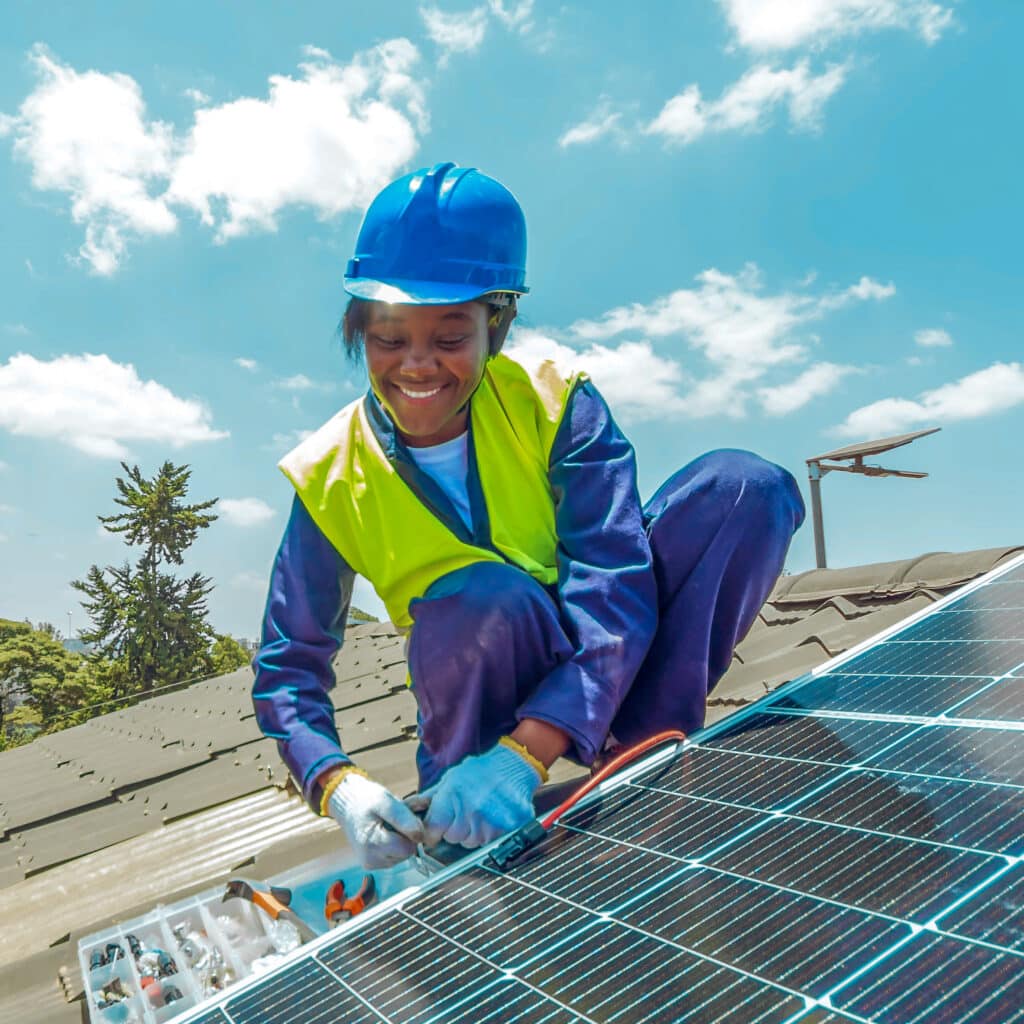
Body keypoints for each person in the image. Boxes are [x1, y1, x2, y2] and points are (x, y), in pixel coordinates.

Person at [252, 162, 806, 868]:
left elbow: (613, 582)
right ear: (358, 330)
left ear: (499, 325)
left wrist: (531, 754)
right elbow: (287, 665)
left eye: (450, 337)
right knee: (485, 597)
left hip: (611, 666)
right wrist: (335, 782)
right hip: (478, 715)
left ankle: (633, 753)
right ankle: (473, 822)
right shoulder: (331, 475)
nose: (417, 366)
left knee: (745, 488)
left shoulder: (555, 402)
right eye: (390, 338)